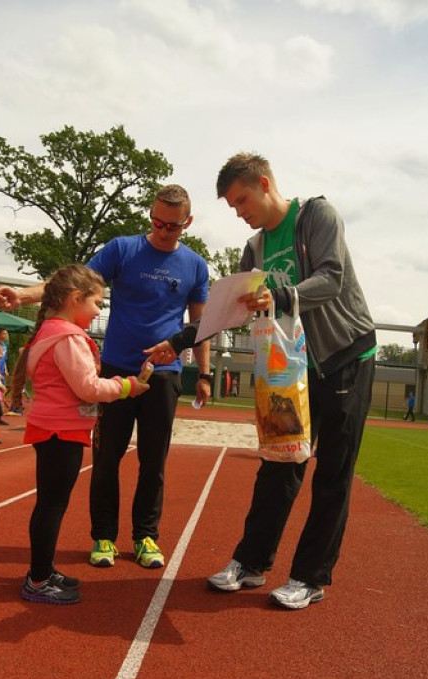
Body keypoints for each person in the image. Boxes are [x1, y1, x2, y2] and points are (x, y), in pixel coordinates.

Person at [149, 154, 376, 610]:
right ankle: (251, 563)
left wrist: (285, 294)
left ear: (265, 184)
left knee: (332, 474)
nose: (238, 211)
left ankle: (310, 577)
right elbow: (230, 309)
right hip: (293, 368)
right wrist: (181, 340)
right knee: (277, 464)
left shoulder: (316, 216)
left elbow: (331, 278)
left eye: (241, 200)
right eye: (232, 205)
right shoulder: (253, 250)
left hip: (346, 356)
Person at [0, 184, 211, 570]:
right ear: (150, 214)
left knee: (153, 461)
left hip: (164, 373)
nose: (163, 231)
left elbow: (201, 323)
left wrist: (206, 372)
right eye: (157, 222)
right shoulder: (122, 249)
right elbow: (70, 286)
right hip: (114, 369)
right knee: (107, 457)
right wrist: (23, 297)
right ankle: (104, 537)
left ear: (187, 223)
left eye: (172, 226)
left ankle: (145, 536)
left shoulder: (194, 265)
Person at [9, 264, 149, 605]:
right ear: (75, 299)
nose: (99, 310)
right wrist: (127, 385)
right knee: (52, 506)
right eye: (97, 303)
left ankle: (42, 569)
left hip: (53, 427)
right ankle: (38, 580)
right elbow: (87, 388)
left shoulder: (49, 331)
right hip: (61, 430)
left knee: (50, 503)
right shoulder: (69, 338)